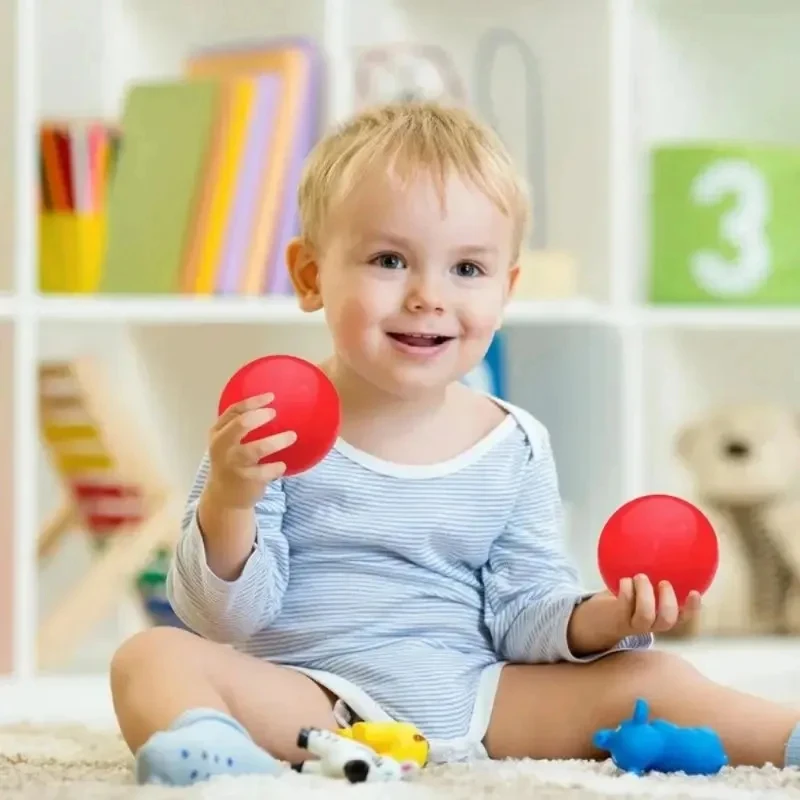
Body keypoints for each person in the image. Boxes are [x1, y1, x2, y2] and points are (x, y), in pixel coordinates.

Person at [110, 102, 800, 787]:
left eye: (467, 269)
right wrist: (232, 498)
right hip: (317, 703)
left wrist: (607, 618)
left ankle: (786, 735)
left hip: (483, 699)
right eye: (389, 260)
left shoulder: (514, 443)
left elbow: (524, 610)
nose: (427, 296)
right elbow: (222, 618)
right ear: (312, 275)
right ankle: (216, 754)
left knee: (653, 674)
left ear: (506, 289)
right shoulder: (271, 425)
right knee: (152, 657)